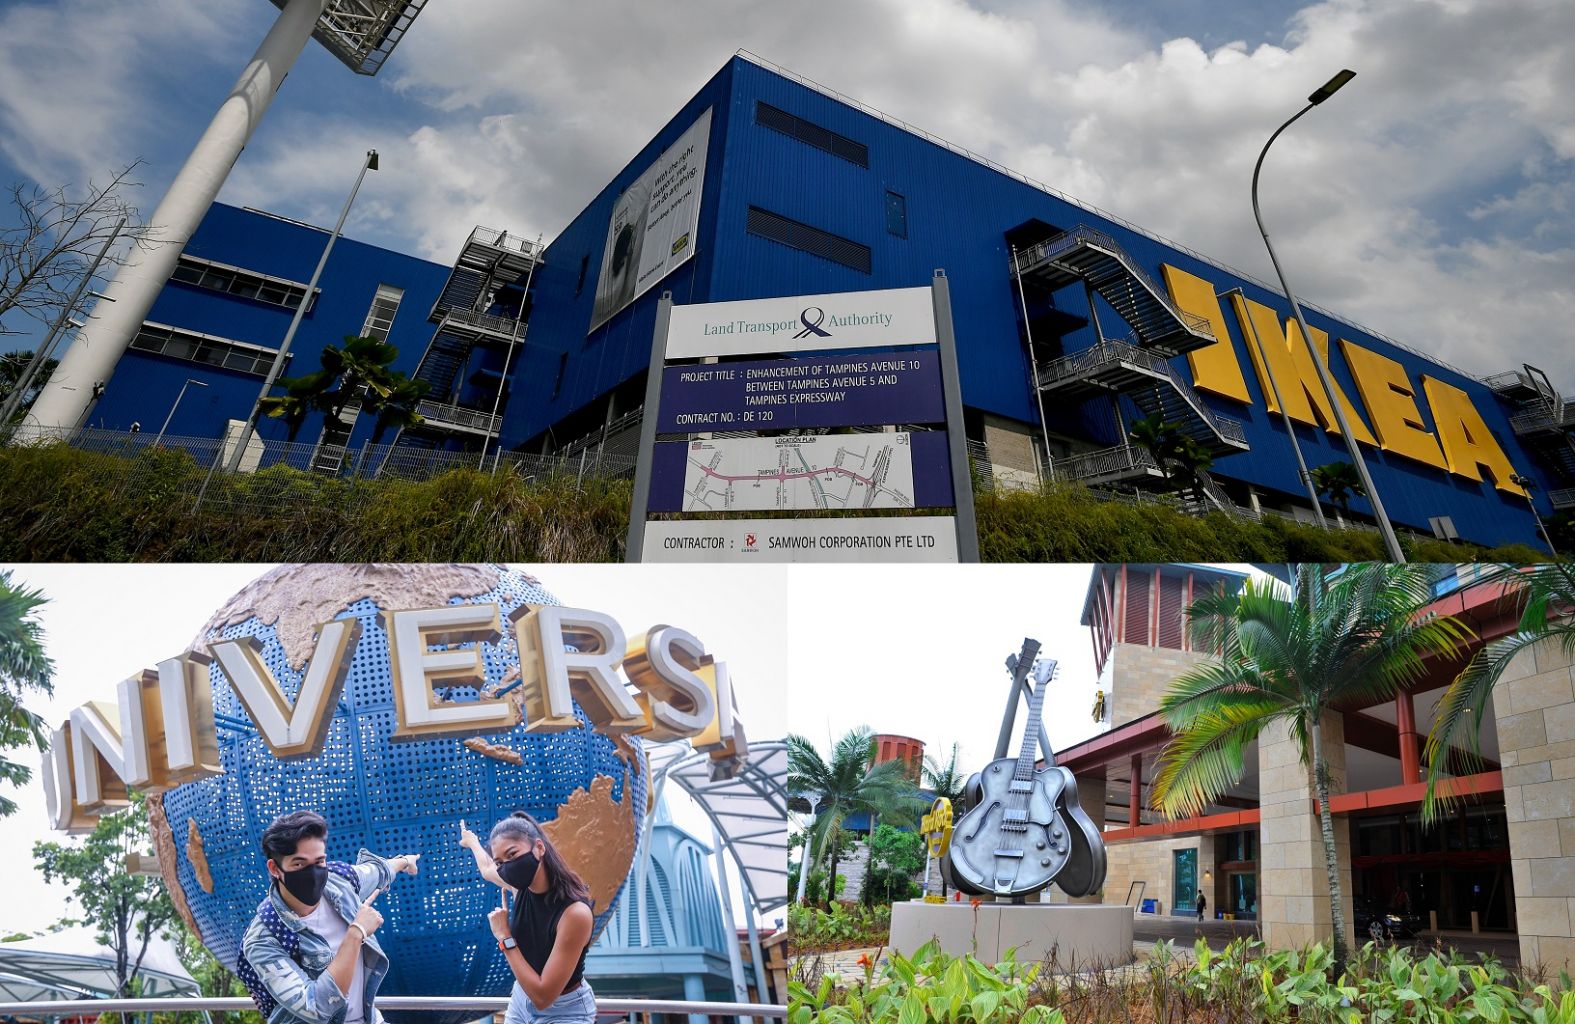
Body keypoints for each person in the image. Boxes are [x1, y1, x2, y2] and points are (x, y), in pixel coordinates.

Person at [241, 811, 420, 1024]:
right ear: (275, 868)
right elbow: (315, 1007)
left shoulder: (339, 882)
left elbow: (378, 870)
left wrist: (405, 861)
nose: (313, 874)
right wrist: (357, 932)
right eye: (299, 864)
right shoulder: (264, 937)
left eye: (319, 861)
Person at [460, 813, 596, 1024]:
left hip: (564, 1010)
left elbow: (543, 996)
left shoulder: (574, 913)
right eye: (500, 861)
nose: (506, 866)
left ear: (539, 848)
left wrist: (505, 937)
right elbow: (488, 869)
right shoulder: (519, 888)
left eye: (512, 854)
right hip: (521, 1000)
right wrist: (473, 842)